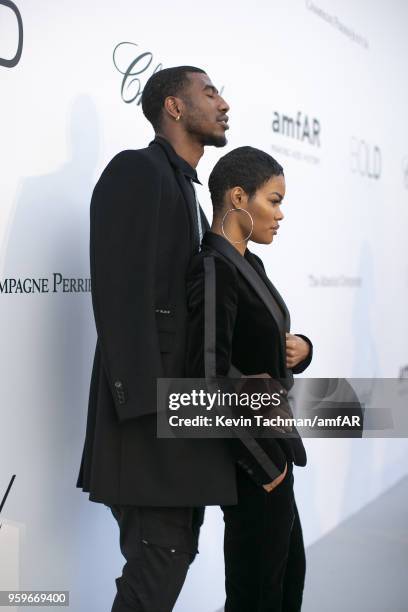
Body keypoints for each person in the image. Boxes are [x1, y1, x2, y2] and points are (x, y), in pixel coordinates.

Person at [75, 66, 239, 611]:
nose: (222, 103)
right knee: (158, 558)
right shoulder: (137, 171)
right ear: (174, 106)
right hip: (149, 418)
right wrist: (149, 414)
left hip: (177, 415)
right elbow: (121, 298)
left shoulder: (185, 192)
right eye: (209, 92)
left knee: (174, 550)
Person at [184, 146, 313, 611]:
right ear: (238, 197)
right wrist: (266, 468)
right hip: (252, 462)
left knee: (285, 581)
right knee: (256, 594)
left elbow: (259, 343)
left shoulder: (249, 263)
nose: (280, 214)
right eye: (273, 200)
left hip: (273, 449)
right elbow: (208, 376)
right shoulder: (214, 266)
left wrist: (301, 349)